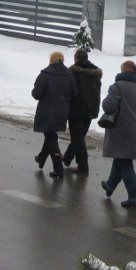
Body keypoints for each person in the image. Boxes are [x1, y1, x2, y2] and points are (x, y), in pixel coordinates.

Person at [100, 60, 136, 208]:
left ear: (122, 72)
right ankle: (110, 185)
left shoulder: (117, 87)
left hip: (121, 130)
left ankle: (134, 197)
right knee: (121, 158)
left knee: (125, 163)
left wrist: (106, 99)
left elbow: (108, 106)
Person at [32, 51, 77, 179]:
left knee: (51, 137)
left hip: (47, 110)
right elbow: (74, 93)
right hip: (63, 110)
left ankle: (58, 169)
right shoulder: (69, 74)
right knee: (50, 134)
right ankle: (41, 157)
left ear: (51, 60)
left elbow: (36, 94)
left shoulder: (45, 74)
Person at [63, 49, 102, 174]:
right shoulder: (95, 73)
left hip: (77, 110)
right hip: (90, 110)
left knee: (77, 138)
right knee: (79, 136)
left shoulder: (73, 73)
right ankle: (68, 157)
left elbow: (69, 92)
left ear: (76, 59)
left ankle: (83, 165)